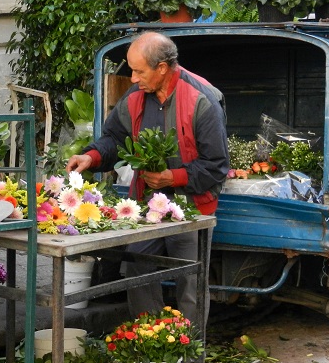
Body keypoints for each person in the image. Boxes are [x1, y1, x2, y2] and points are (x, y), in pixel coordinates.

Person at [66, 31, 229, 331]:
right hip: (147, 206)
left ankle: (190, 361)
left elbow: (217, 167)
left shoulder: (202, 100)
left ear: (163, 68)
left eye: (139, 71)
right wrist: (92, 157)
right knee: (137, 271)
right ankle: (150, 344)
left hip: (191, 209)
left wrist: (172, 177)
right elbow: (114, 137)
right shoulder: (136, 96)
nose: (132, 78)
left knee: (190, 283)